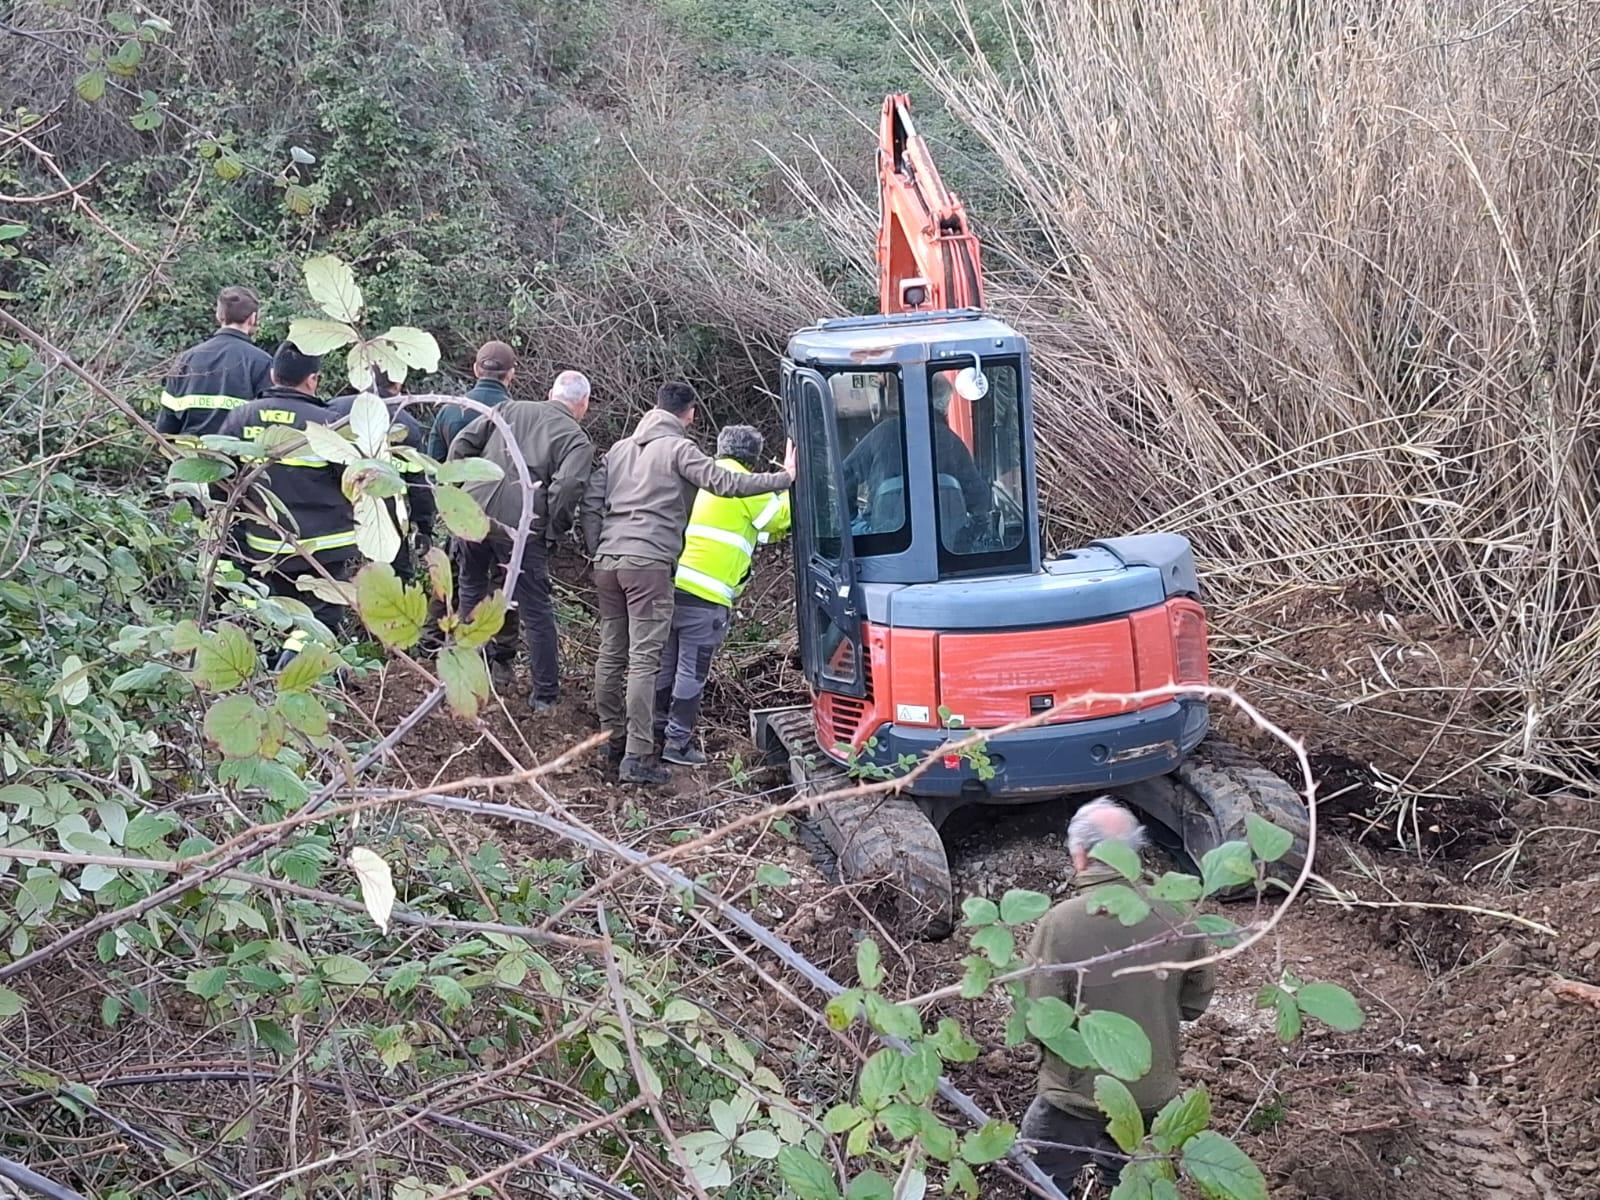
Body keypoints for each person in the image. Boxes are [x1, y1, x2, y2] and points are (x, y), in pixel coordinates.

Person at [579, 382, 793, 786]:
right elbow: (726, 483)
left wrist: (599, 546)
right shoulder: (679, 449)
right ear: (690, 413)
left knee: (611, 654)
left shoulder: (620, 450)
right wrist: (783, 479)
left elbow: (591, 501)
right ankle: (638, 757)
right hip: (650, 566)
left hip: (608, 562)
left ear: (655, 406)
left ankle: (613, 738)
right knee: (644, 661)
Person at [1023, 798, 1216, 1191]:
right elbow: (1195, 1003)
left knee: (1043, 1177)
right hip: (1152, 1095)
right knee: (1129, 1184)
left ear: (1079, 855)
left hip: (1073, 1097)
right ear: (1134, 852)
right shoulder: (1177, 914)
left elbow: (1039, 1021)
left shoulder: (1060, 924)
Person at [449, 370, 595, 712]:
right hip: (521, 526)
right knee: (536, 610)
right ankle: (544, 695)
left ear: (550, 392)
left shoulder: (509, 409)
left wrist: (459, 486)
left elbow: (461, 444)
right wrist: (550, 528)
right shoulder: (576, 439)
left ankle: (465, 678)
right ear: (583, 404)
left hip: (472, 510)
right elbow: (569, 487)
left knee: (471, 589)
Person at [654, 424, 791, 765]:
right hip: (707, 597)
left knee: (663, 667)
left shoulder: (699, 477)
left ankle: (652, 733)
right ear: (752, 458)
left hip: (671, 587)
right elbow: (780, 519)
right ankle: (677, 743)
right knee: (691, 673)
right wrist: (791, 481)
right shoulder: (745, 485)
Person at [219, 341, 359, 663]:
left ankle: (270, 673)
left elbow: (219, 482)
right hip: (324, 550)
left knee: (275, 614)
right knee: (319, 617)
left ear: (272, 374)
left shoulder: (240, 418)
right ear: (313, 380)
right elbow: (354, 482)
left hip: (265, 545)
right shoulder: (329, 425)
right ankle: (294, 672)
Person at [842, 372, 988, 532]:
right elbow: (979, 500)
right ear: (944, 405)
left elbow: (846, 474)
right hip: (945, 543)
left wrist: (852, 519)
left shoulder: (884, 432)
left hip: (882, 538)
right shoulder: (952, 442)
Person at [157, 286, 273, 447]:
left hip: (189, 462)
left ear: (219, 316)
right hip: (237, 466)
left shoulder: (186, 359)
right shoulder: (262, 362)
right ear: (252, 318)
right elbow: (269, 421)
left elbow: (165, 427)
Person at [352, 369, 437, 583]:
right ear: (398, 384)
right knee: (397, 578)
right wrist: (424, 527)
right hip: (389, 521)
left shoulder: (340, 411)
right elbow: (419, 487)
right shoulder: (407, 426)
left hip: (342, 516)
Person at [426, 340, 516, 460]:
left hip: (454, 478)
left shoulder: (448, 411)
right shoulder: (518, 416)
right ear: (511, 374)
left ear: (476, 370)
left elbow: (433, 468)